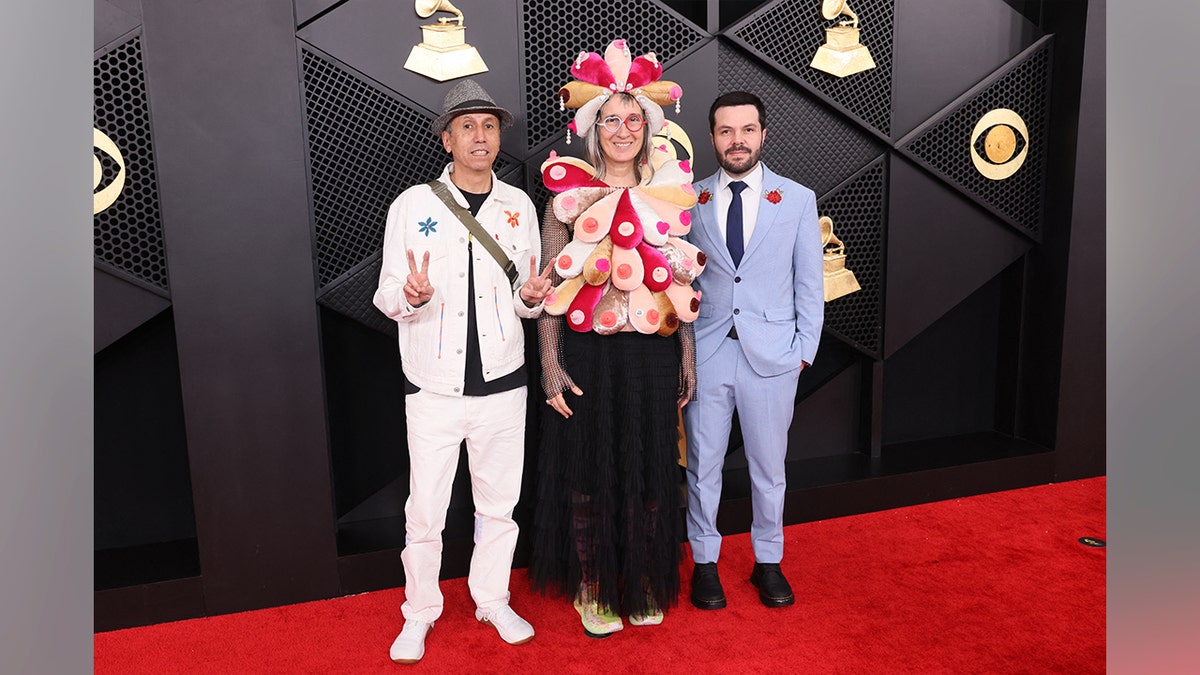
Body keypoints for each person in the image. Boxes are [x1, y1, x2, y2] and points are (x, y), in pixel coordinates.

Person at [373, 79, 555, 664]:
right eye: (468, 127)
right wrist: (415, 295)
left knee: (499, 504)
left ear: (500, 137)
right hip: (433, 388)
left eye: (490, 126)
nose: (481, 136)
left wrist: (531, 297)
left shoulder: (518, 206)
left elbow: (529, 299)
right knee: (425, 510)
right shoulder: (412, 205)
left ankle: (492, 597)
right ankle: (419, 612)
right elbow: (386, 296)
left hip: (505, 382)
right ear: (447, 138)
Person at [529, 39, 704, 638]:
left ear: (649, 128)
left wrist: (687, 354)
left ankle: (646, 578)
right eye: (611, 118)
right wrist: (549, 364)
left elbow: (683, 284)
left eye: (634, 119)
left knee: (651, 464)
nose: (623, 129)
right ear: (592, 127)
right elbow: (552, 287)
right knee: (588, 469)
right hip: (587, 349)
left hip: (654, 350)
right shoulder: (566, 201)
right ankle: (595, 582)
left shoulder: (671, 196)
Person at [683, 91, 824, 610]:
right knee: (703, 467)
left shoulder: (797, 199)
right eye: (725, 131)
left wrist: (803, 350)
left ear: (763, 134)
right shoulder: (690, 201)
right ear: (713, 137)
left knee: (769, 467)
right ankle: (704, 563)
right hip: (709, 349)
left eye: (746, 130)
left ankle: (768, 561)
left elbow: (811, 283)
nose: (736, 140)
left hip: (773, 356)